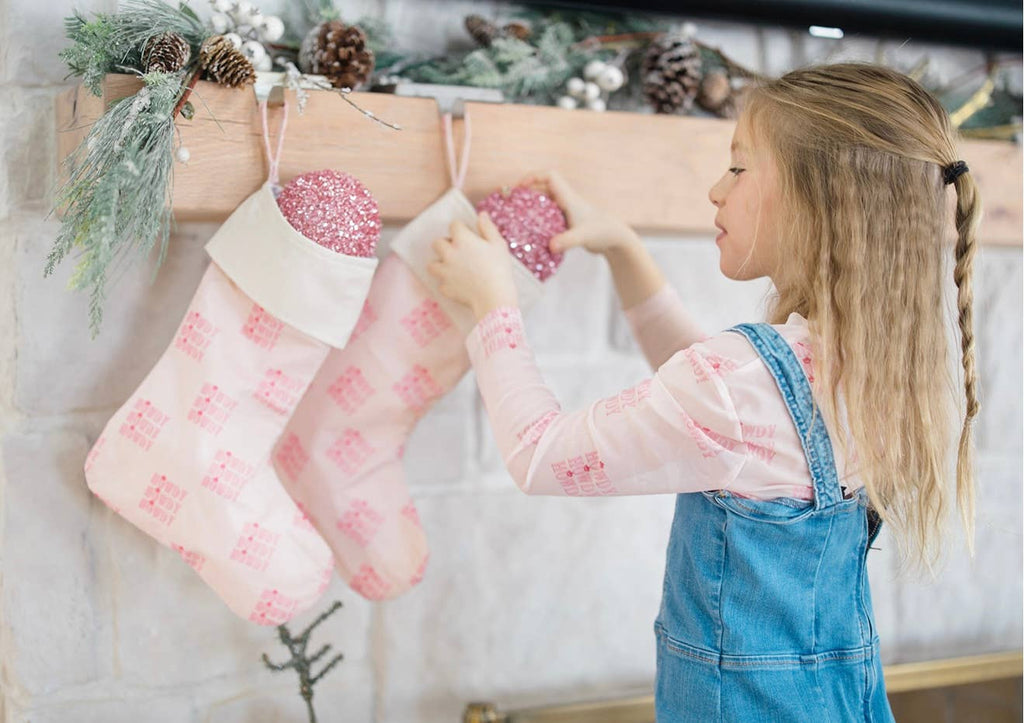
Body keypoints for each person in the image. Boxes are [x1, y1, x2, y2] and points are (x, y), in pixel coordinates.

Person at [426, 62, 979, 722]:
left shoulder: (739, 385)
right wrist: (624, 249)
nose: (717, 189)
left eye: (740, 167)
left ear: (818, 196)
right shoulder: (873, 370)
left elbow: (540, 453)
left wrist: (492, 303)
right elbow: (721, 401)